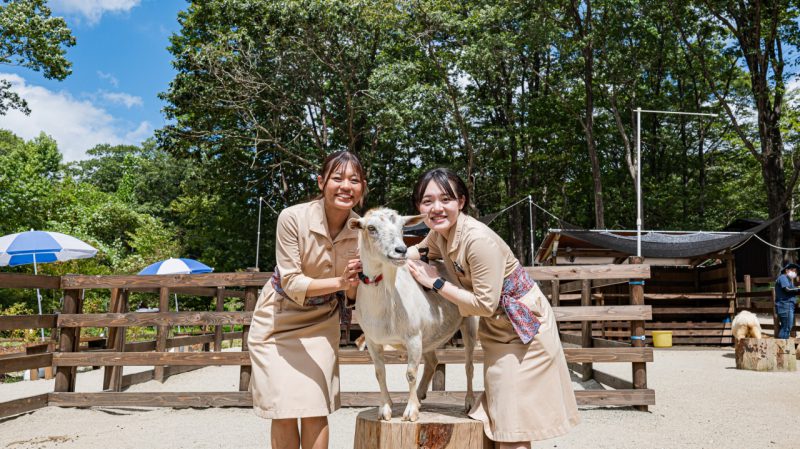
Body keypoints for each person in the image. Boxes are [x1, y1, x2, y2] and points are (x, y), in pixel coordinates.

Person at [406, 168, 580, 449]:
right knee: (497, 420)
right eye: (427, 201)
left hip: (525, 330)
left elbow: (485, 305)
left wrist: (434, 281)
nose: (436, 208)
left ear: (461, 202)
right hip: (499, 332)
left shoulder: (477, 240)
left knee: (512, 427)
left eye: (445, 199)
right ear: (419, 207)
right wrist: (382, 256)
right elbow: (417, 252)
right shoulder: (439, 235)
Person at [248, 151, 365, 449]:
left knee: (314, 408)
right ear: (321, 181)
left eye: (354, 180)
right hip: (278, 318)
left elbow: (354, 296)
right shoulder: (292, 218)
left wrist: (352, 285)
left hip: (322, 321)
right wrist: (341, 281)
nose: (345, 186)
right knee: (284, 410)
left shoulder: (363, 231)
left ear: (363, 187)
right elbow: (291, 280)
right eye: (337, 178)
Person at [774, 262, 799, 339]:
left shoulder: (788, 279)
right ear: (786, 270)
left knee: (786, 327)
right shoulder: (783, 278)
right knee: (786, 327)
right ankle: (782, 347)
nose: (795, 273)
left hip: (787, 305)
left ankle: (782, 346)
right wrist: (798, 289)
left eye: (795, 271)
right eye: (793, 270)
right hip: (785, 305)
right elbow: (787, 289)